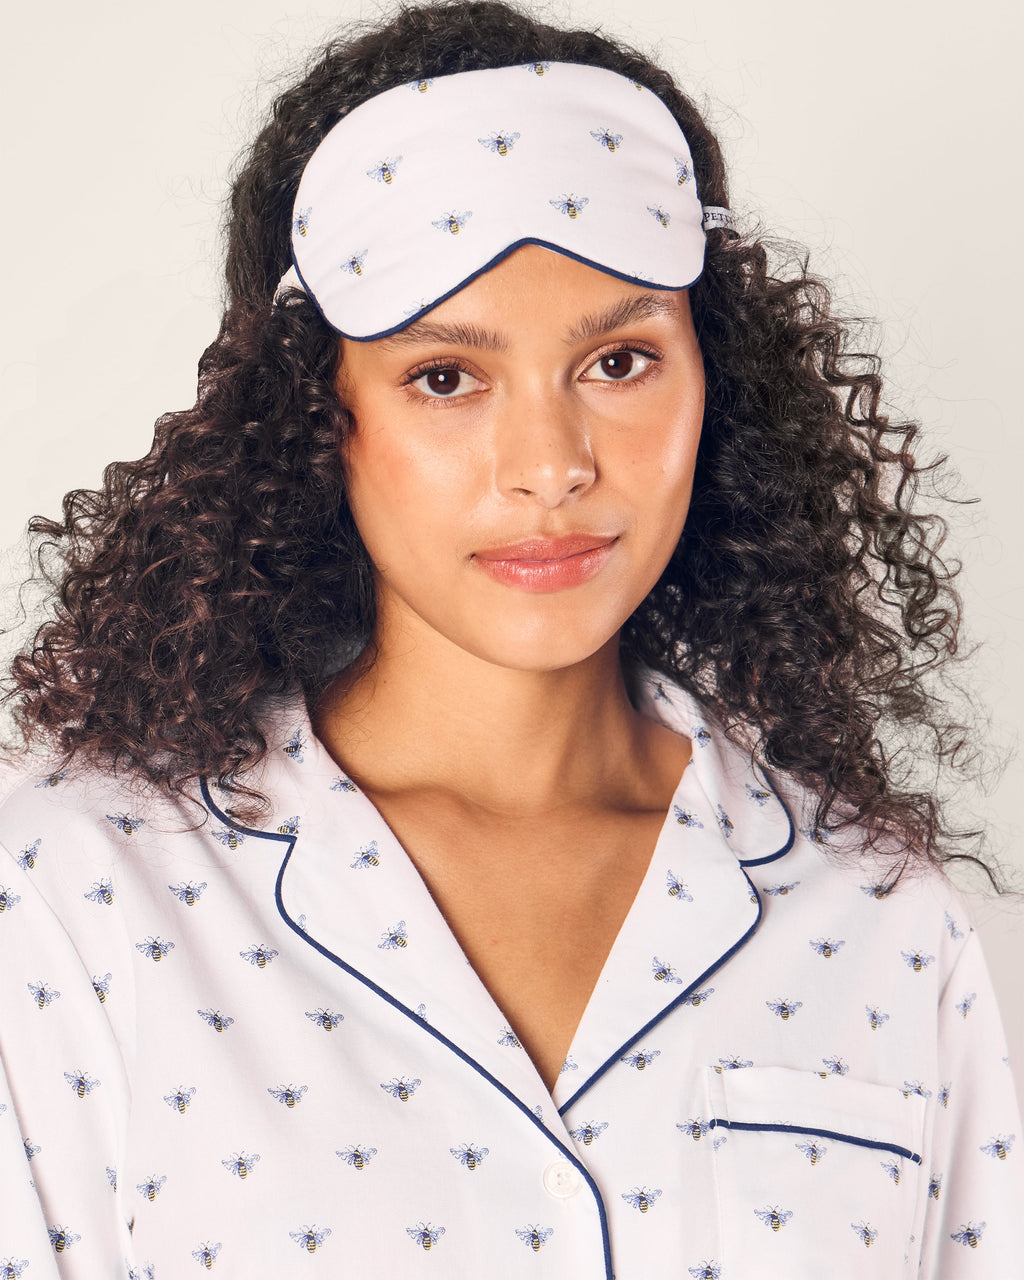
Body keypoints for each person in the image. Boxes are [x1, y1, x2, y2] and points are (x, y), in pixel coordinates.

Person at [0, 1, 1019, 1276]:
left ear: (718, 381)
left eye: (618, 361)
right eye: (444, 377)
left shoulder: (877, 915)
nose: (550, 466)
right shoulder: (73, 900)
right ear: (316, 414)